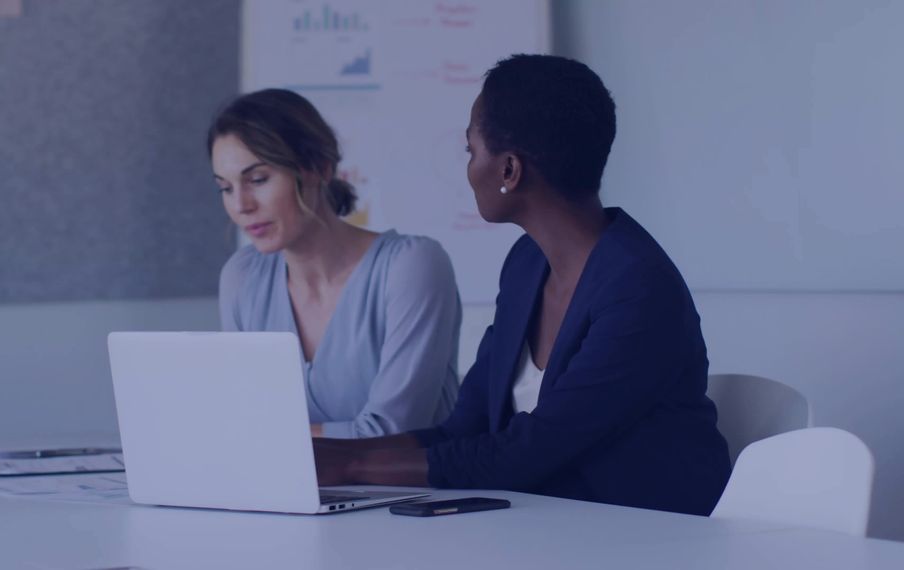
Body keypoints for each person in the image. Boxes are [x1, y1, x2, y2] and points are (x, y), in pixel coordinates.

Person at [313, 54, 731, 516]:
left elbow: (526, 452)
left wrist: (351, 464)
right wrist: (329, 457)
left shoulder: (638, 290)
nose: (468, 166)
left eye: (471, 151)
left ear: (509, 170)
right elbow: (465, 432)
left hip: (648, 536)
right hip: (544, 526)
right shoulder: (526, 265)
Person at [210, 88, 461, 439]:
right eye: (225, 187)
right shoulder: (242, 277)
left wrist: (272, 437)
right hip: (290, 493)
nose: (241, 205)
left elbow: (395, 433)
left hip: (419, 493)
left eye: (257, 180)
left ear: (319, 169)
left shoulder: (412, 266)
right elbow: (244, 422)